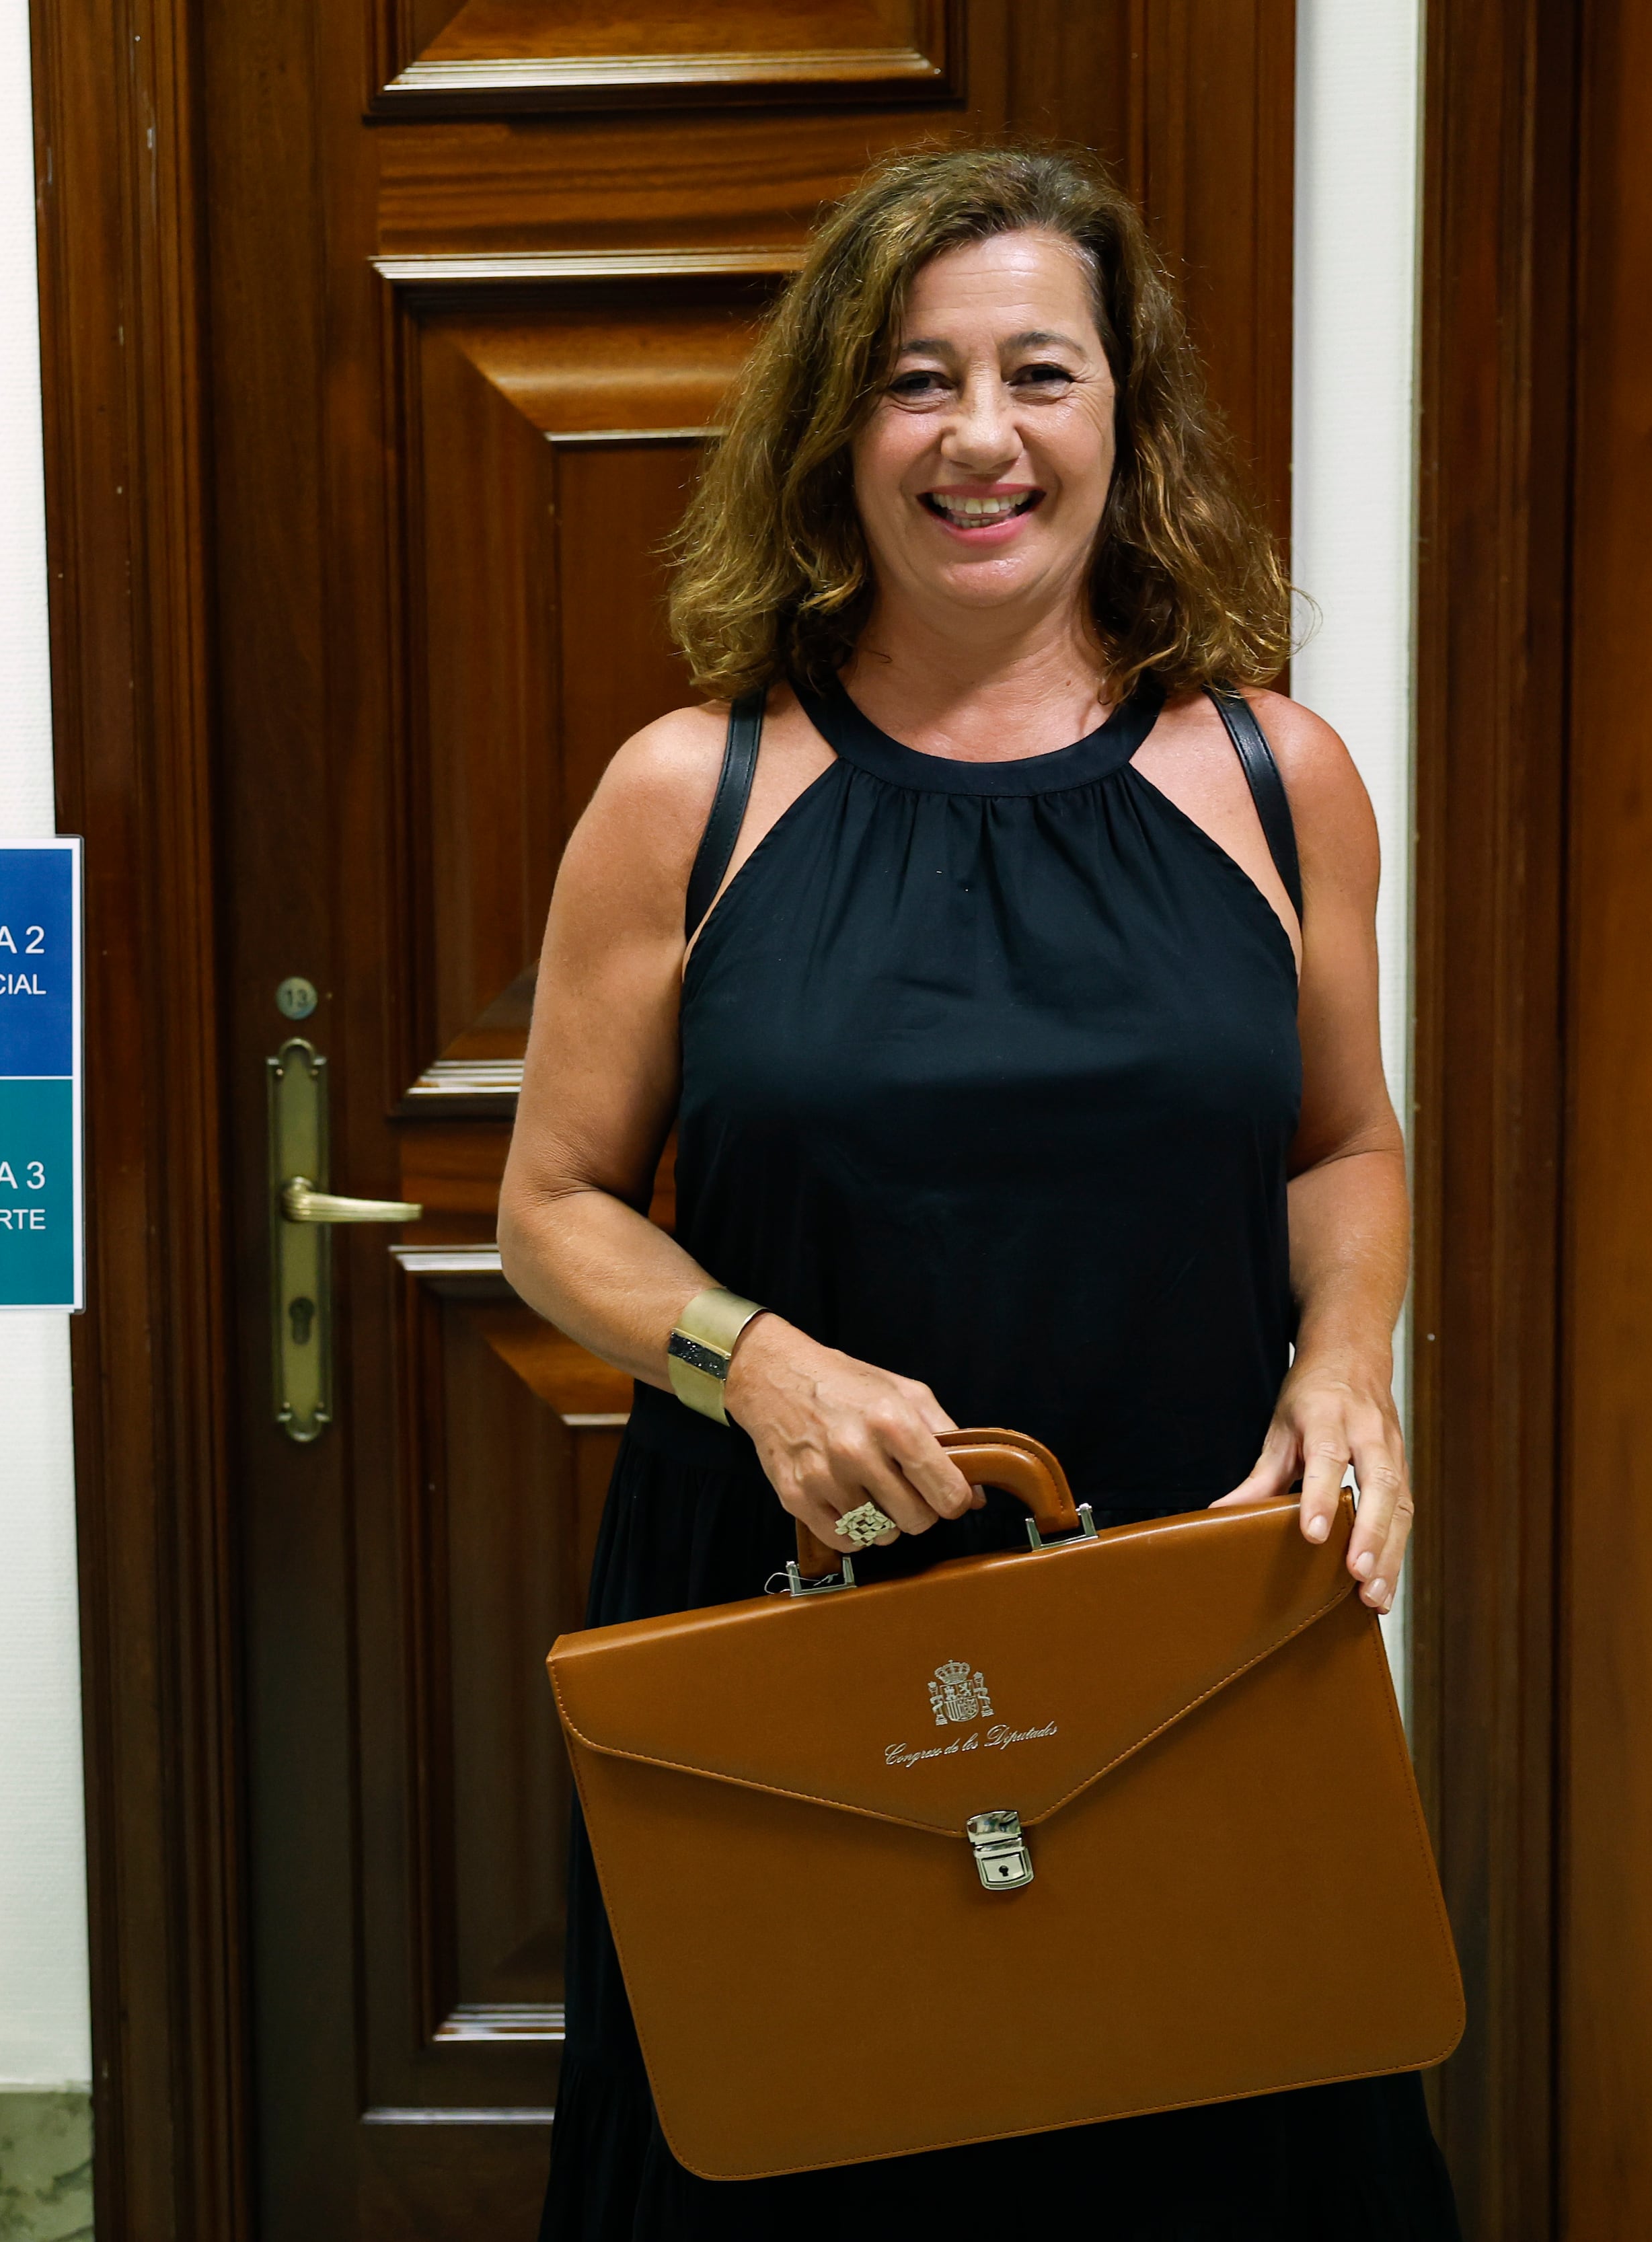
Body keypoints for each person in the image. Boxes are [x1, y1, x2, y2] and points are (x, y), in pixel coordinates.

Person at [496, 142, 1460, 2237]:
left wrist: (1355, 1365)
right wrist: (752, 1364)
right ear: (839, 428)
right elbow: (553, 1205)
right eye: (917, 379)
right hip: (790, 1609)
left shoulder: (1281, 779)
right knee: (802, 2148)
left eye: (1043, 371)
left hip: (1189, 1604)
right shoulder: (695, 787)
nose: (981, 435)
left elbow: (1344, 1142)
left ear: (1129, 416)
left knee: (1213, 2153)